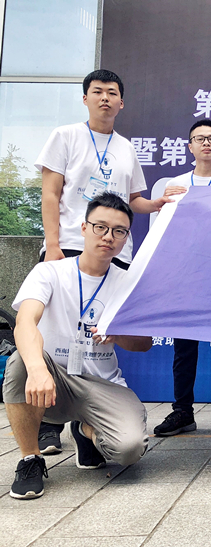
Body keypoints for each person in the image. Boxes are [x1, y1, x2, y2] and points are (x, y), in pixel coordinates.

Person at [34, 69, 170, 454]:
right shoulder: (65, 136)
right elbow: (50, 194)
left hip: (116, 254)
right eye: (97, 92)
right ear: (85, 98)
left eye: (112, 93)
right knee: (53, 331)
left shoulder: (126, 148)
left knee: (102, 333)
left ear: (122, 102)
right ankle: (47, 423)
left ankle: (88, 418)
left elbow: (133, 200)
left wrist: (159, 204)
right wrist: (53, 246)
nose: (105, 98)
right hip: (70, 245)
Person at [4, 193, 152, 500]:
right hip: (54, 377)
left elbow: (144, 344)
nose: (108, 237)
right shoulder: (49, 272)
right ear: (84, 228)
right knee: (21, 361)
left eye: (119, 231)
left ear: (126, 238)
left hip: (103, 383)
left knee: (129, 449)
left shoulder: (129, 283)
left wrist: (118, 334)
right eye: (100, 227)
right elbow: (25, 322)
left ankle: (85, 431)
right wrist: (37, 369)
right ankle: (30, 459)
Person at [152, 120, 211, 437]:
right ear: (189, 146)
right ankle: (182, 412)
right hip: (185, 277)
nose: (206, 143)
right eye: (199, 138)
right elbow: (163, 232)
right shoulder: (176, 185)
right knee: (184, 349)